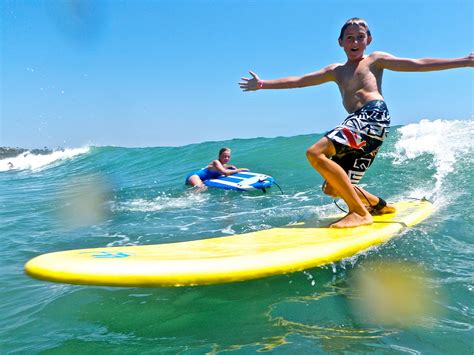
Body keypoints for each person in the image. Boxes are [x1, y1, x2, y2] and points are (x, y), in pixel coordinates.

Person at [240, 17, 473, 228]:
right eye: (349, 37)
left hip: (373, 115)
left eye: (360, 37)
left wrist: (463, 60)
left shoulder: (374, 60)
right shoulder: (336, 71)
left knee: (315, 153)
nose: (355, 41)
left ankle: (359, 213)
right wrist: (263, 84)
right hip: (360, 124)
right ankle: (379, 205)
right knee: (332, 186)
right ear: (340, 42)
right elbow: (299, 81)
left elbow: (416, 63)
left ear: (368, 40)